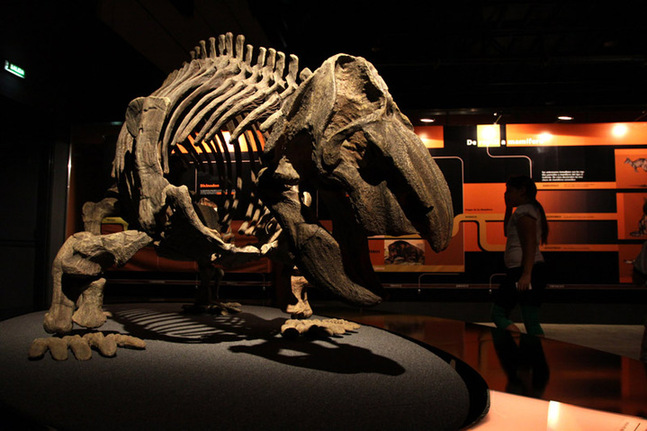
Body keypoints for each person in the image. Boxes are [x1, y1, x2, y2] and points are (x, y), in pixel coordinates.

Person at [491, 175, 549, 336]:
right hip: (526, 270)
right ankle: (535, 355)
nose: (506, 194)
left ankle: (518, 350)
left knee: (498, 314)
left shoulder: (524, 212)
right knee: (530, 319)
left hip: (522, 270)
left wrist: (526, 274)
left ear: (522, 191)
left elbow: (529, 244)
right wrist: (508, 207)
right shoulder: (525, 211)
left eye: (509, 191)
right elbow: (506, 231)